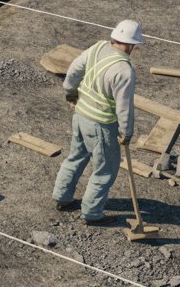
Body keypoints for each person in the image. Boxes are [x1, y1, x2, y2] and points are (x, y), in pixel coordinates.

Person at [52, 21, 141, 225]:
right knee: (105, 168)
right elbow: (124, 106)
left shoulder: (98, 47)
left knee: (75, 157)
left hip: (80, 115)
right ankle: (92, 213)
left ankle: (61, 196)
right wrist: (126, 133)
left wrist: (70, 90)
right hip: (101, 125)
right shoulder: (124, 71)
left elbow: (74, 69)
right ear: (131, 45)